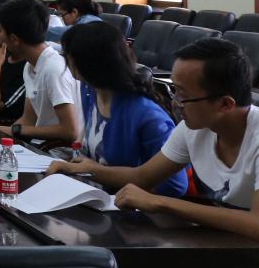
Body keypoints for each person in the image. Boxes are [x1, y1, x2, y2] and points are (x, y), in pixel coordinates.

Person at [45, 37, 259, 238]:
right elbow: (143, 177)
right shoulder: (193, 129)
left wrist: (160, 202)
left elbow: (255, 223)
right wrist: (88, 169)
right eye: (174, 90)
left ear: (225, 104)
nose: (175, 103)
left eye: (183, 95)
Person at [42, 22, 186, 196]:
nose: (65, 61)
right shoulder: (89, 89)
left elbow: (175, 186)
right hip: (89, 193)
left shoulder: (146, 115)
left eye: (68, 56)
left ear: (87, 63)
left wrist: (96, 172)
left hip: (123, 203)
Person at [0, 0, 81, 143]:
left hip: (57, 150)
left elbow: (70, 131)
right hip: (38, 145)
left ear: (14, 39)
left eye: (0, 30)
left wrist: (16, 130)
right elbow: (29, 119)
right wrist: (2, 134)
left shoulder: (53, 69)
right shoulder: (30, 66)